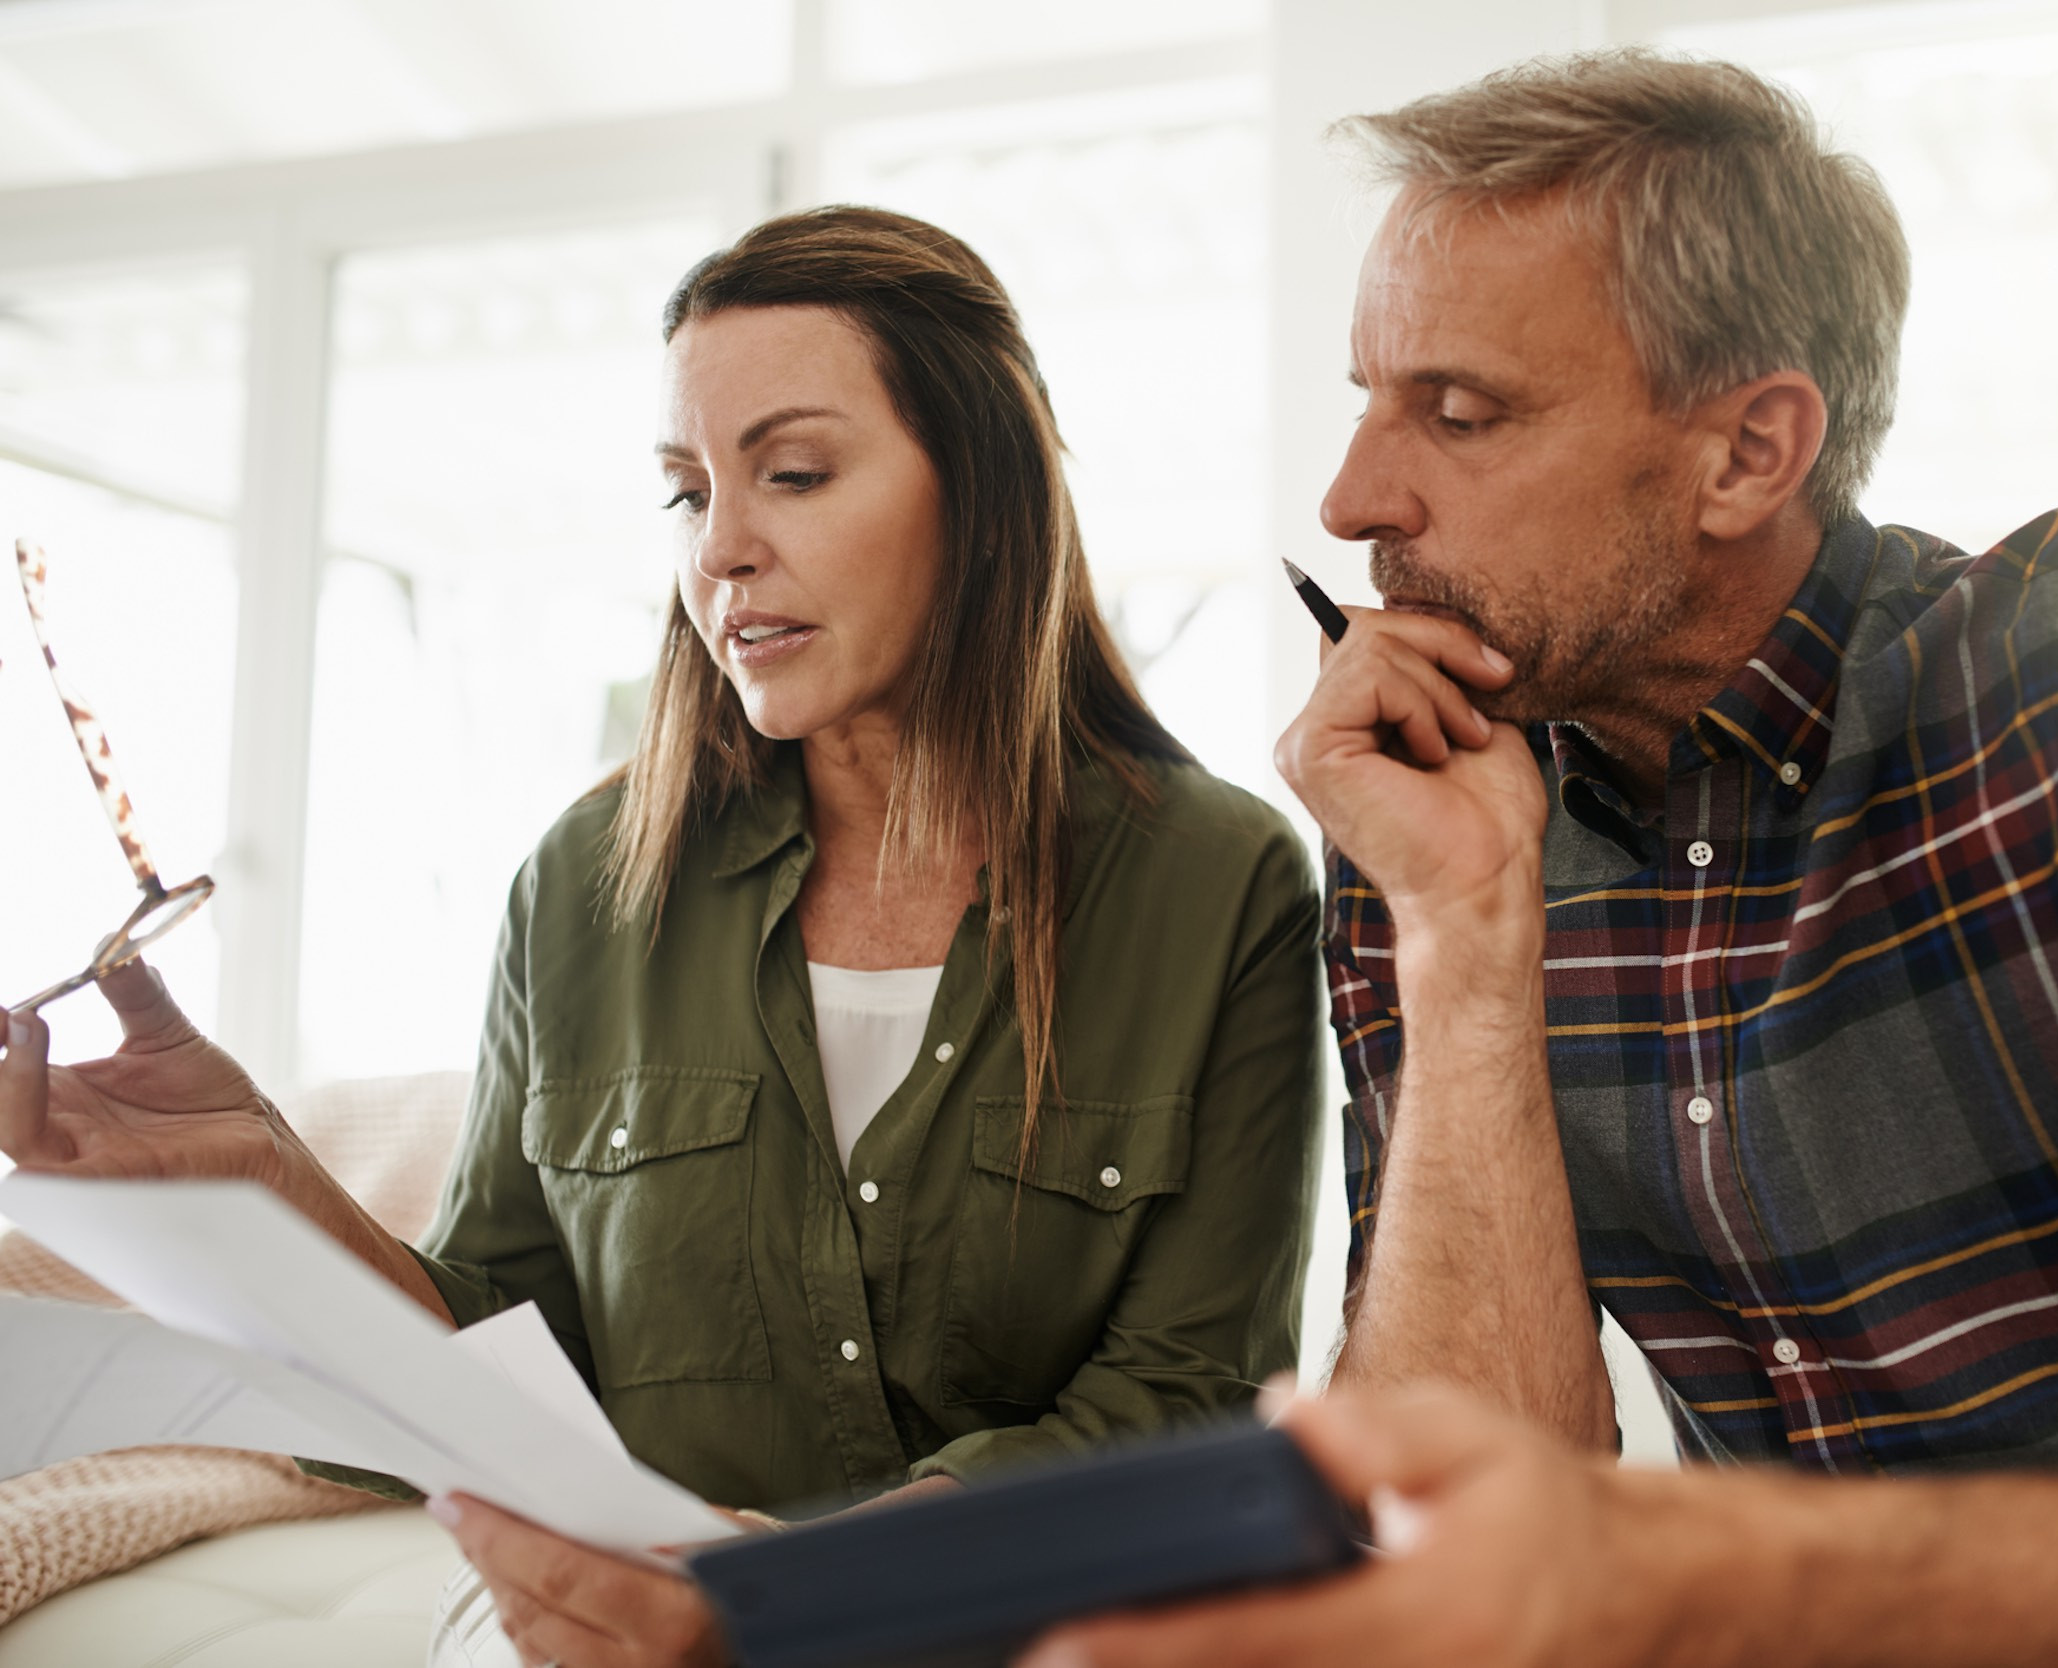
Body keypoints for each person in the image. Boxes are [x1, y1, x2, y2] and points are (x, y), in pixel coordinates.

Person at [1023, 48, 2058, 1667]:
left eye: (1459, 412)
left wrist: (1720, 1580)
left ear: (1748, 453)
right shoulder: (1444, 828)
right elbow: (1448, 1514)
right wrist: (1459, 936)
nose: (1356, 494)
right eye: (1369, 403)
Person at [1, 206, 1328, 1668]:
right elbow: (504, 1360)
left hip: (1021, 1619)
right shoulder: (580, 885)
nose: (726, 551)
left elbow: (1186, 1394)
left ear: (985, 490)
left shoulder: (1222, 880)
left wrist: (801, 1587)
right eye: (688, 495)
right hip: (600, 1622)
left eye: (796, 474)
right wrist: (262, 1168)